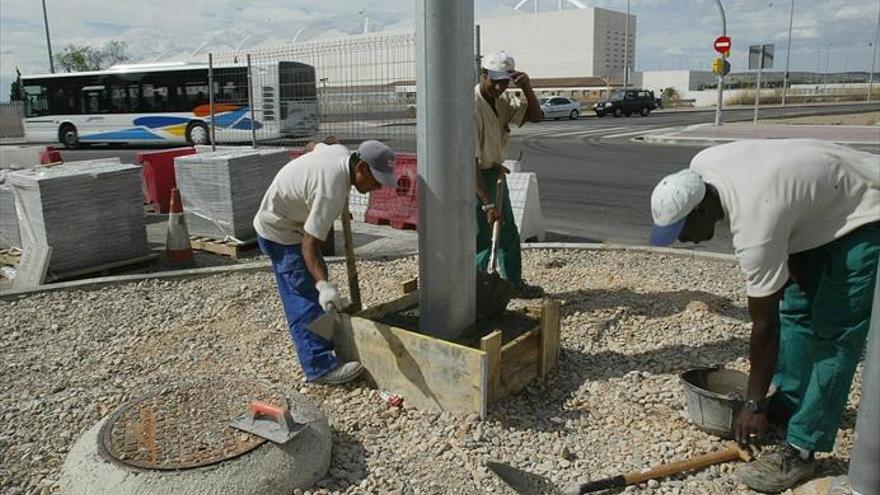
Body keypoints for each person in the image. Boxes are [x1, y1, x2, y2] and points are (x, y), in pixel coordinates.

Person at [648, 139, 880, 493]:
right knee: (797, 311)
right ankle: (786, 403)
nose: (684, 240)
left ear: (701, 210)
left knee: (834, 338)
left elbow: (764, 325)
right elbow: (789, 194)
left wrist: (753, 402)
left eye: (683, 231)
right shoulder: (701, 166)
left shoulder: (754, 225)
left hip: (861, 212)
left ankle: (803, 447)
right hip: (813, 214)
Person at [254, 139, 397, 385]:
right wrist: (323, 286)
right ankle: (318, 367)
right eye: (375, 181)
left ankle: (324, 339)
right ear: (361, 168)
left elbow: (315, 144)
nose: (377, 188)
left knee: (316, 279)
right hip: (280, 231)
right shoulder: (331, 190)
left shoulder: (339, 152)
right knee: (304, 296)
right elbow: (309, 244)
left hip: (289, 221)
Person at [474, 50, 544, 297]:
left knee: (509, 234)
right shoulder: (472, 106)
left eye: (505, 82)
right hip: (476, 181)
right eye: (495, 81)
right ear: (483, 75)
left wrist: (527, 88)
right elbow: (469, 161)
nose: (500, 87)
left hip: (494, 175)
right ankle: (479, 292)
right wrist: (487, 203)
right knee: (483, 239)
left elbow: (537, 116)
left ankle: (513, 284)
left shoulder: (502, 101)